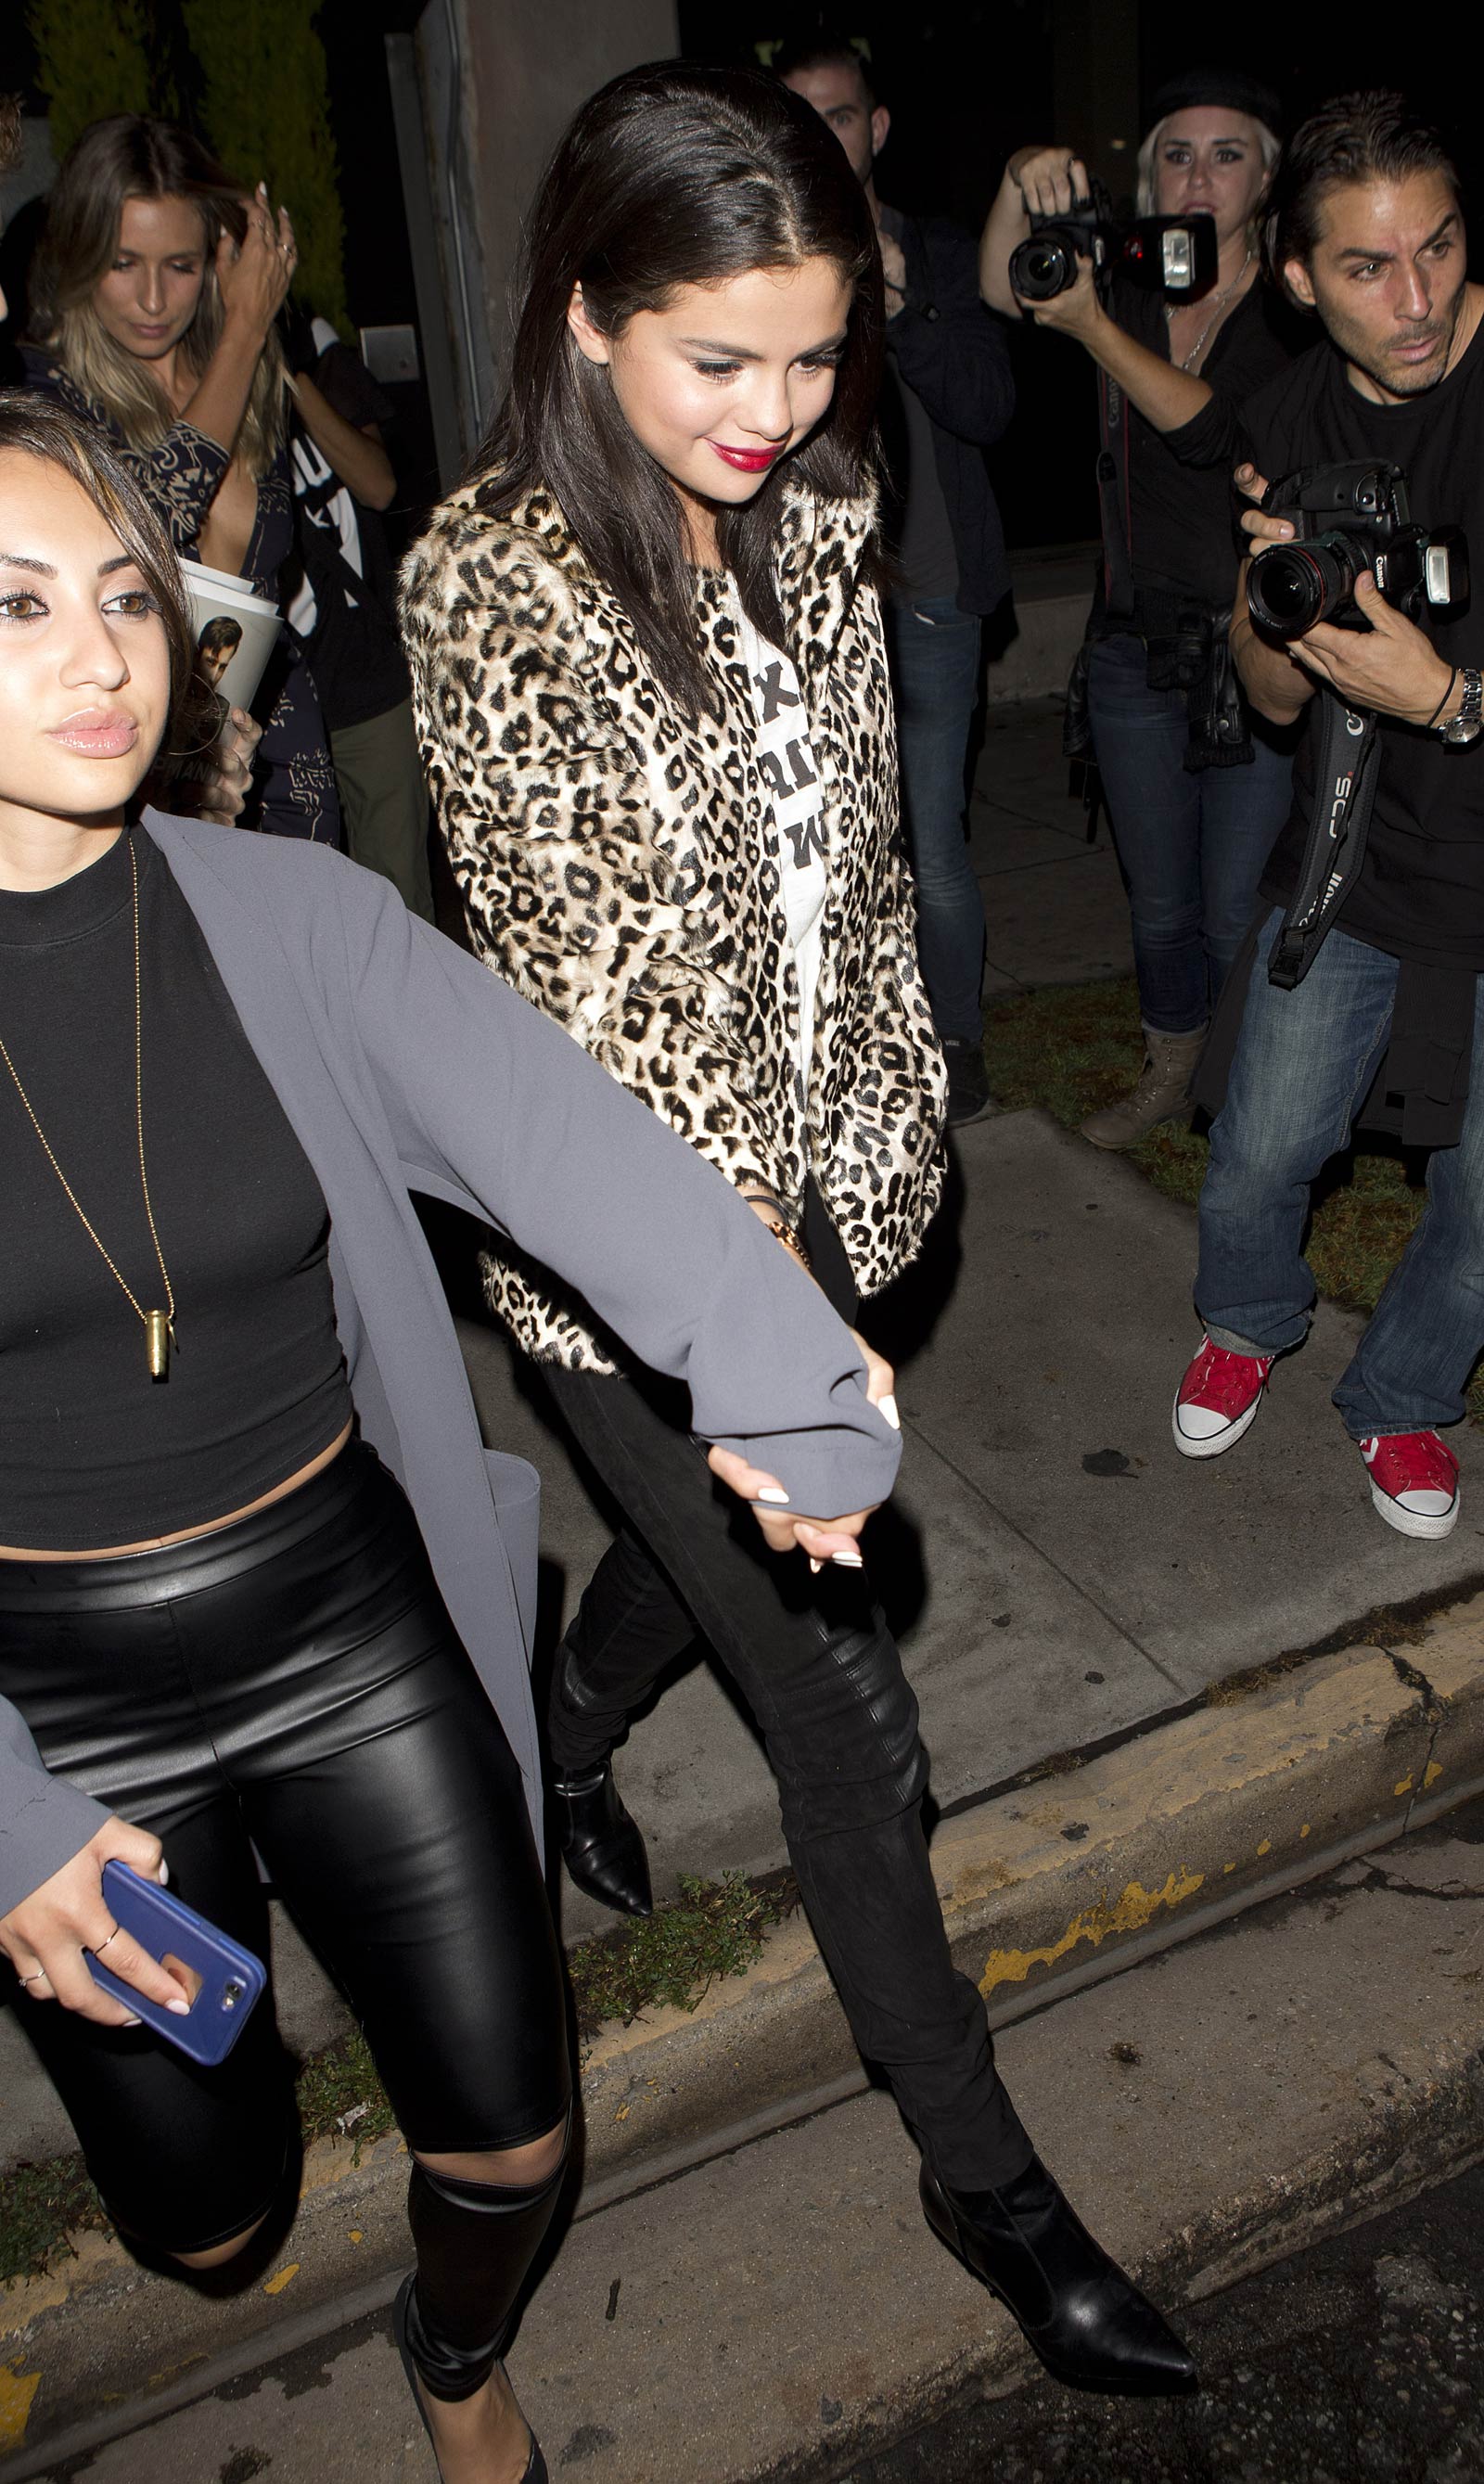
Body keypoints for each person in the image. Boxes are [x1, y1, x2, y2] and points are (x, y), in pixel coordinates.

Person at [0, 391, 905, 2484]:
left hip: (333, 1601)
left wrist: (774, 1361)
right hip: (48, 1697)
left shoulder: (279, 919)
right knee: (203, 2224)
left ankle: (452, 2351)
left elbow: (566, 1143)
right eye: (20, 607)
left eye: (129, 596)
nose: (105, 654)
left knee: (510, 2126)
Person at [402, 61, 1196, 2398]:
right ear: (581, 315)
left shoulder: (826, 500)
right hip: (637, 1264)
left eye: (815, 351)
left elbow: (853, 851)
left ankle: (562, 1710)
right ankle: (986, 2175)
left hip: (845, 1193)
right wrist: (750, 1333)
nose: (775, 410)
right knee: (852, 1726)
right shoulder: (488, 586)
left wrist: (874, 1171)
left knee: (708, 1571)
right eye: (714, 358)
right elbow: (607, 997)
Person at [1171, 92, 1484, 1542]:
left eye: (1437, 249)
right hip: (1355, 865)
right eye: (1367, 267)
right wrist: (1268, 607)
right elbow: (1277, 704)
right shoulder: (1283, 420)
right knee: (1258, 1146)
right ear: (1297, 280)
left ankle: (1408, 1399)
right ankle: (1247, 1317)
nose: (1415, 301)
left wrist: (1451, 699)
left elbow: (1436, 697)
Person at [980, 70, 1303, 1148]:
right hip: (1127, 649)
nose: (1198, 176)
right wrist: (1016, 184)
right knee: (1158, 903)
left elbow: (1209, 429)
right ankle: (1172, 1070)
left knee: (1230, 907)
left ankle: (1241, 1093)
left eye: (1226, 155)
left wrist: (1089, 330)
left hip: (1248, 649)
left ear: (1266, 180)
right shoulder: (1119, 280)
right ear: (1146, 174)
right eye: (1176, 153)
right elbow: (997, 291)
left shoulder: (1291, 308)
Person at [777, 31, 1013, 1125]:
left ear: (873, 128)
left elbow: (986, 406)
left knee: (933, 841)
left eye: (836, 115)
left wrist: (905, 291)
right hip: (802, 609)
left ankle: (954, 1041)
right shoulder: (761, 258)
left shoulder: (939, 248)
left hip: (923, 596)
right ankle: (850, 1047)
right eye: (797, 117)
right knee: (824, 844)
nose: (818, 137)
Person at [21, 114, 339, 844]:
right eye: (123, 263)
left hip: (285, 761)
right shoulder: (50, 398)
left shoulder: (245, 383)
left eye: (181, 265)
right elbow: (151, 525)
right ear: (80, 255)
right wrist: (245, 331)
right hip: (152, 780)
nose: (155, 301)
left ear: (220, 259)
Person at [283, 309, 436, 918]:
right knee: (300, 910)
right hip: (274, 698)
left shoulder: (312, 350)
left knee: (396, 902)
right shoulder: (178, 369)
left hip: (367, 679)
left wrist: (289, 379)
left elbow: (378, 486)